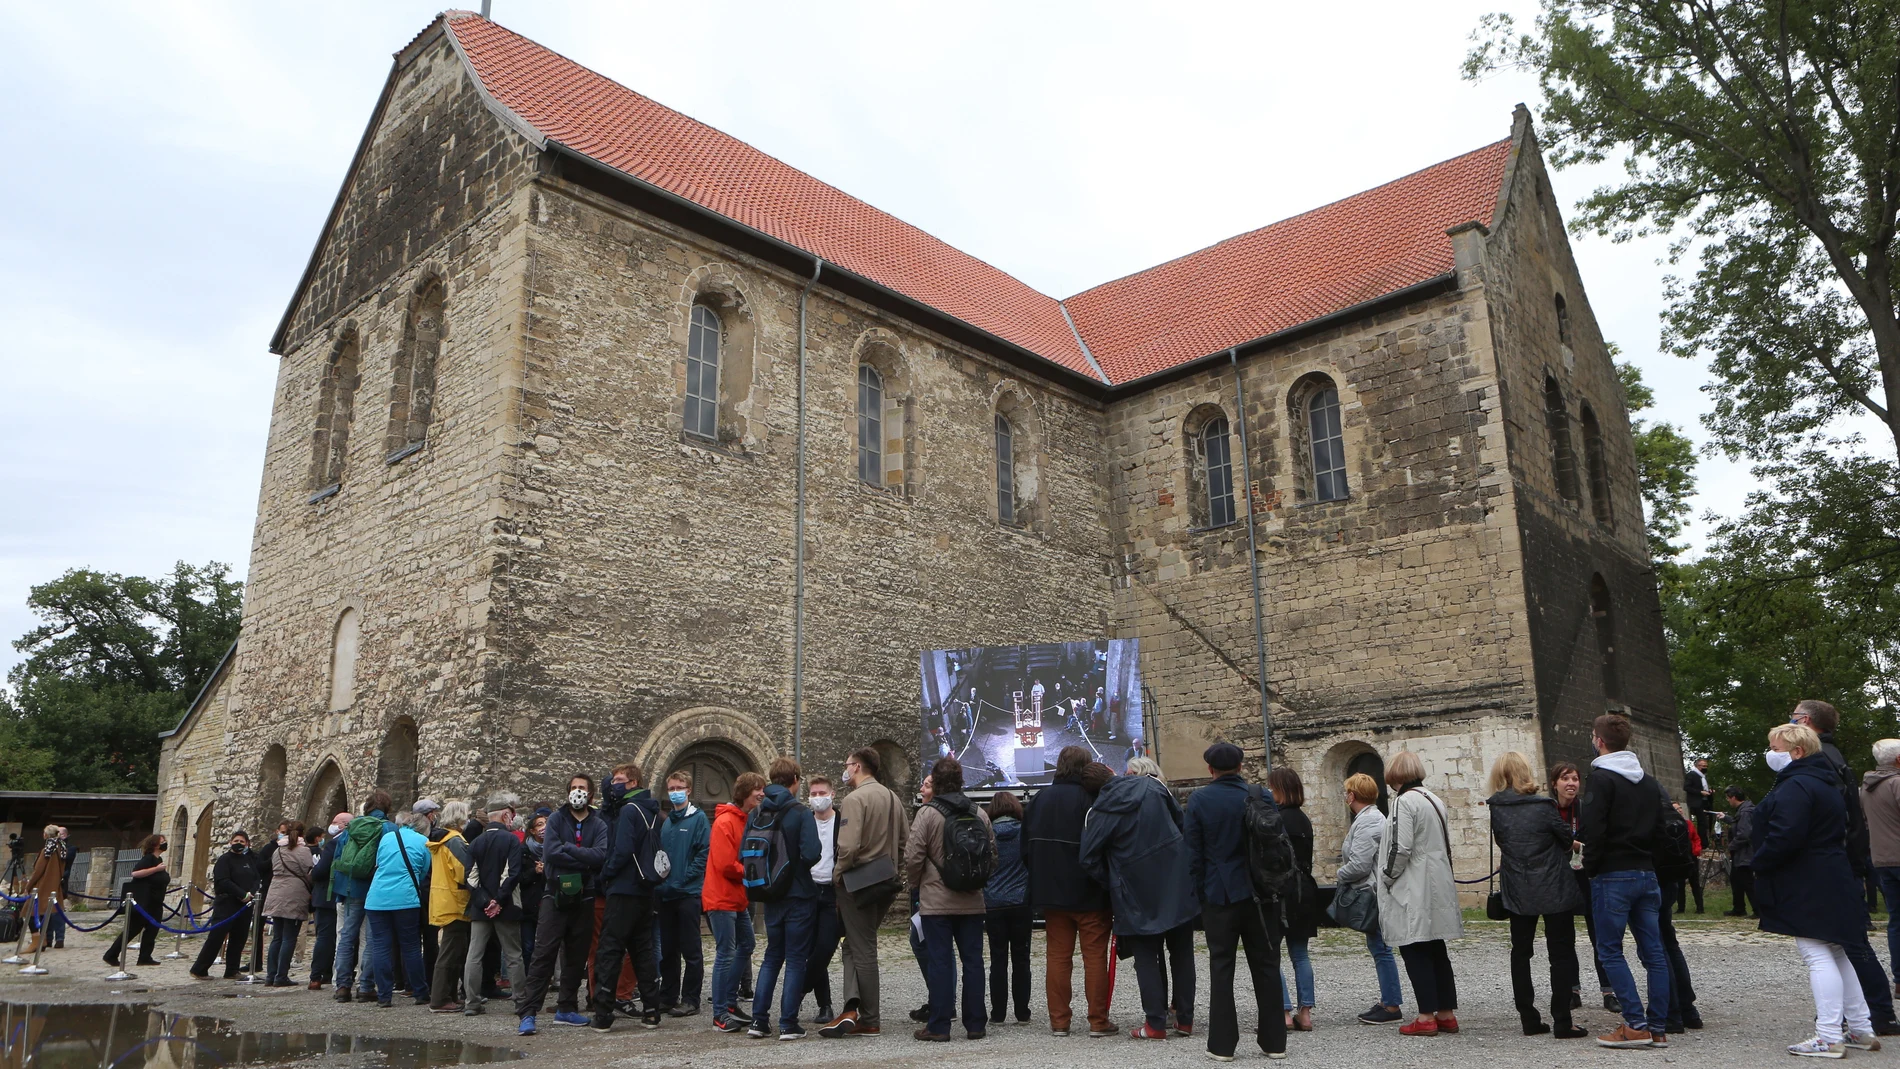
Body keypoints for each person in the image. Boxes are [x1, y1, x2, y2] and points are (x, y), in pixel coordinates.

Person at [1755, 721, 1880, 1057]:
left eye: (1776, 749)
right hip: (1831, 872)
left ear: (1796, 752)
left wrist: (1759, 860)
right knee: (1837, 950)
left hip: (1807, 877)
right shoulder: (1826, 782)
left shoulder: (1797, 785)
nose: (1771, 755)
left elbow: (1786, 835)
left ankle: (1828, 1034)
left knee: (1815, 953)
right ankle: (1860, 1027)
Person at [1792, 699, 1900, 1034]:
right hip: (1848, 859)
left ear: (1806, 722)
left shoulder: (1822, 760)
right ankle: (1867, 1016)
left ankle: (1866, 1016)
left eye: (1793, 718)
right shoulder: (1834, 759)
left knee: (1841, 944)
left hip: (1834, 862)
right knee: (1848, 942)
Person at [1080, 755, 1196, 1043]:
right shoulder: (1153, 788)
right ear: (1111, 772)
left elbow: (1088, 858)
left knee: (1146, 957)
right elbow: (1180, 825)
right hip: (1174, 880)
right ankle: (1185, 1019)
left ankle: (1156, 1023)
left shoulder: (1098, 812)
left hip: (1135, 890)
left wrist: (1112, 880)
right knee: (1181, 953)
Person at [1186, 742, 1286, 1061]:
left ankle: (1223, 1045)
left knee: (1222, 967)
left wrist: (1200, 892)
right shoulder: (1260, 795)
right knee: (1267, 966)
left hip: (1221, 894)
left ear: (1210, 770)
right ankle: (1274, 1043)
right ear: (1241, 767)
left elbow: (1193, 854)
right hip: (1262, 893)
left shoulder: (1200, 799)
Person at [1580, 712, 1670, 1048]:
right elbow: (1661, 831)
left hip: (1612, 873)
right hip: (1646, 873)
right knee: (1654, 953)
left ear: (1599, 741)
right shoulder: (1647, 782)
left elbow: (1593, 830)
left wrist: (1591, 868)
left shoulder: (1601, 779)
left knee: (1610, 950)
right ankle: (1658, 1026)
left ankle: (1635, 1023)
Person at [1485, 751, 1585, 1038]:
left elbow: (1503, 842)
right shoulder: (1543, 806)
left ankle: (1528, 1018)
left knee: (1521, 953)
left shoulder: (1497, 808)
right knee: (1561, 954)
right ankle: (1563, 1020)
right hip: (1554, 885)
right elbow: (1566, 839)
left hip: (1519, 887)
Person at [1024, 745, 1115, 1038]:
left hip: (1052, 892)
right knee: (1094, 958)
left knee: (1058, 957)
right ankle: (1098, 1021)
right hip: (1090, 891)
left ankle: (1059, 1021)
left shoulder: (1039, 800)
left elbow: (1027, 849)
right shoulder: (1093, 798)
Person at [906, 755, 995, 1042]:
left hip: (936, 902)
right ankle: (976, 1024)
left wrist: (917, 884)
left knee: (941, 962)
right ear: (961, 780)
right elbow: (992, 856)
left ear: (938, 782)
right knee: (973, 962)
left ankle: (939, 1025)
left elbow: (913, 856)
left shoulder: (928, 814)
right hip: (972, 901)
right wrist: (977, 881)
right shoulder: (979, 813)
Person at [820, 747, 908, 1039]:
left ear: (857, 767)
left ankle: (869, 1018)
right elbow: (904, 842)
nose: (845, 770)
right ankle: (852, 1006)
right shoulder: (892, 797)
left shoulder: (856, 799)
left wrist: (837, 874)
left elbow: (848, 847)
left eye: (847, 764)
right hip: (886, 880)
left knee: (863, 947)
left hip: (857, 884)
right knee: (856, 945)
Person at [1377, 751, 1463, 1037]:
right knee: (1436, 948)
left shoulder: (1404, 801)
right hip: (1436, 882)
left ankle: (1426, 1015)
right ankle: (1446, 1013)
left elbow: (1400, 847)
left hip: (1414, 885)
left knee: (1414, 948)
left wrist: (1387, 877)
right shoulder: (1433, 799)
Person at [514, 774, 607, 1034]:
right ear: (568, 791)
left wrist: (570, 850)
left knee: (576, 956)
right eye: (574, 788)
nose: (578, 792)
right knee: (543, 954)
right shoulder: (555, 819)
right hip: (554, 895)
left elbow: (600, 856)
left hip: (584, 896)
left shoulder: (598, 824)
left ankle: (566, 1007)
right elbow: (551, 852)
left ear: (591, 795)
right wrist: (582, 858)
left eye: (583, 788)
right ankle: (528, 1012)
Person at [746, 757, 822, 1040]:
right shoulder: (799, 812)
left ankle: (759, 1021)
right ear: (795, 781)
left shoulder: (756, 812)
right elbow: (813, 852)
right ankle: (788, 1023)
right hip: (799, 894)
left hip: (770, 894)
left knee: (771, 957)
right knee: (795, 958)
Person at [591, 763, 665, 1032]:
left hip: (623, 889)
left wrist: (606, 875)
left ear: (633, 782)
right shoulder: (655, 812)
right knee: (642, 950)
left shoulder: (628, 811)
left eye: (619, 779)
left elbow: (621, 850)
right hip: (646, 889)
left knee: (610, 949)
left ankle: (603, 1014)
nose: (614, 784)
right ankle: (652, 1011)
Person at [1336, 772, 1402, 1025]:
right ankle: (1389, 1000)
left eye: (1346, 792)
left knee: (1381, 948)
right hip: (1375, 890)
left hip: (1372, 892)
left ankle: (1391, 1004)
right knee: (1379, 946)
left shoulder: (1368, 822)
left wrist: (1339, 874)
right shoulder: (1370, 818)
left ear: (1352, 795)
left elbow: (1360, 865)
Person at [1552, 762, 1614, 1011]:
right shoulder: (1548, 810)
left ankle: (1609, 991)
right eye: (1565, 778)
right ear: (1554, 783)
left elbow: (1599, 838)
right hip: (1560, 879)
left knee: (1600, 936)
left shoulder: (1587, 809)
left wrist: (1578, 845)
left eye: (1575, 779)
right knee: (1564, 938)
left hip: (1588, 877)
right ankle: (1572, 990)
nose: (1571, 784)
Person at [707, 772, 764, 1033]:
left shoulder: (742, 820)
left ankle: (729, 1004)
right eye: (757, 790)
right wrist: (753, 871)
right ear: (744, 793)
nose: (761, 794)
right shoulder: (725, 823)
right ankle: (720, 1012)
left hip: (736, 898)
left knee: (746, 944)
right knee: (725, 953)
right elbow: (725, 864)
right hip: (721, 898)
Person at [464, 796, 528, 1017]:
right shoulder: (511, 841)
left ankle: (471, 1002)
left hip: (480, 909)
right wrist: (498, 901)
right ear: (505, 815)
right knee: (513, 955)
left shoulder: (475, 843)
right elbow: (511, 874)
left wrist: (484, 901)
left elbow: (471, 879)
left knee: (474, 954)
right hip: (506, 906)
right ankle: (520, 1001)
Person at [365, 810, 432, 1008]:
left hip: (376, 898)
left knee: (381, 946)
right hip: (405, 898)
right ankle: (420, 991)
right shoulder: (423, 842)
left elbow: (379, 862)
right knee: (410, 946)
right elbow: (423, 872)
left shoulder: (387, 837)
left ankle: (384, 995)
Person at [1268, 767, 1318, 1033]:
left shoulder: (1276, 819)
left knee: (1272, 954)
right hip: (1305, 890)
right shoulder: (1304, 819)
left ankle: (1284, 1011)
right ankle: (1306, 1012)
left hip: (1281, 891)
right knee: (1300, 954)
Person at [656, 770, 710, 1017]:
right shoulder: (667, 822)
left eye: (679, 787)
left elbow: (702, 854)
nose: (675, 791)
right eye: (671, 787)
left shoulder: (698, 819)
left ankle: (691, 999)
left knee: (691, 949)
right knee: (668, 949)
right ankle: (668, 996)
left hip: (688, 893)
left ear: (688, 790)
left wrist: (685, 878)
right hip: (667, 894)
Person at [333, 791, 393, 1002]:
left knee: (347, 936)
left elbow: (338, 858)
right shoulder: (388, 828)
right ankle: (366, 986)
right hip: (376, 888)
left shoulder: (351, 827)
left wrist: (339, 889)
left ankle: (342, 986)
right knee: (372, 938)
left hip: (351, 888)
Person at [983, 789, 1032, 1027]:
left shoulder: (987, 833)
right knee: (1021, 958)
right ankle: (1022, 1011)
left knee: (997, 958)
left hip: (993, 903)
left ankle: (997, 1013)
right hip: (1021, 901)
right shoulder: (1024, 833)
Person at [800, 774, 843, 1025]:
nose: (818, 798)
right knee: (811, 949)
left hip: (833, 891)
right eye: (813, 794)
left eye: (821, 793)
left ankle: (798, 991)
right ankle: (824, 1004)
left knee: (826, 947)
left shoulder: (842, 821)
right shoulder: (805, 821)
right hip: (808, 890)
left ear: (832, 794)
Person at [190, 829, 260, 980]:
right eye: (236, 841)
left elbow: (256, 878)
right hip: (227, 902)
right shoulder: (225, 860)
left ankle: (232, 970)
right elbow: (223, 880)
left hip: (245, 905)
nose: (239, 844)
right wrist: (241, 894)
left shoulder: (248, 860)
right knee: (217, 936)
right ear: (230, 843)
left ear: (247, 844)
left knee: (239, 938)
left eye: (242, 841)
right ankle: (200, 969)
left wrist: (251, 894)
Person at [425, 801, 474, 1013]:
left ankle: (449, 995)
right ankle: (440, 998)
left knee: (452, 950)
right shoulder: (454, 841)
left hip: (444, 898)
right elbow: (464, 871)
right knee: (450, 952)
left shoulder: (441, 839)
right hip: (455, 901)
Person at [105, 833, 169, 968]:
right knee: (132, 930)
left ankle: (145, 957)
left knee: (152, 930)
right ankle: (111, 955)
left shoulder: (159, 859)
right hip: (144, 902)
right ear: (155, 845)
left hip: (155, 902)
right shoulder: (148, 860)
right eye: (162, 841)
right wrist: (156, 870)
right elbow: (135, 873)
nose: (165, 843)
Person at [1864, 740, 1900, 980]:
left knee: (1896, 921)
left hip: (1882, 859)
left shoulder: (1865, 788)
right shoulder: (1898, 783)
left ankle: (1899, 980)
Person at [263, 820, 314, 987]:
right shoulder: (303, 851)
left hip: (276, 892)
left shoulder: (278, 850)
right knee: (289, 937)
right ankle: (281, 975)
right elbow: (308, 871)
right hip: (294, 893)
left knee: (277, 937)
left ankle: (271, 974)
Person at [308, 813, 349, 990]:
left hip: (327, 896)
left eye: (334, 822)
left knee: (324, 937)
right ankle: (330, 973)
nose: (331, 826)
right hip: (343, 895)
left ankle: (316, 976)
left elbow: (321, 871)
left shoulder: (334, 844)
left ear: (344, 825)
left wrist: (313, 873)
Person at [518, 811, 547, 965]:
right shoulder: (524, 851)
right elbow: (519, 877)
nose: (544, 828)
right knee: (528, 946)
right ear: (532, 830)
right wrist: (535, 872)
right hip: (528, 905)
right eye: (540, 824)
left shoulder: (553, 848)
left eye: (546, 823)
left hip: (548, 903)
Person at [1724, 787, 1758, 917]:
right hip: (1741, 852)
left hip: (1745, 852)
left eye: (1728, 798)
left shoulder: (1745, 812)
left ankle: (1758, 909)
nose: (1728, 801)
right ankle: (1738, 908)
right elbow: (1737, 824)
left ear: (1733, 797)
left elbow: (1744, 833)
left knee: (1747, 881)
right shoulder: (1743, 811)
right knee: (1736, 879)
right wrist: (1726, 818)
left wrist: (1731, 846)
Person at [1684, 758, 1714, 851]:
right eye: (1703, 766)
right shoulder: (1692, 775)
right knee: (1702, 823)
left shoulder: (1703, 777)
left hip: (1705, 801)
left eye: (1706, 766)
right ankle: (1703, 844)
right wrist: (1700, 792)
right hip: (1697, 802)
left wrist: (1709, 792)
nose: (1705, 768)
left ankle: (1706, 841)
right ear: (1697, 766)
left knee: (1708, 821)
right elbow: (1686, 787)